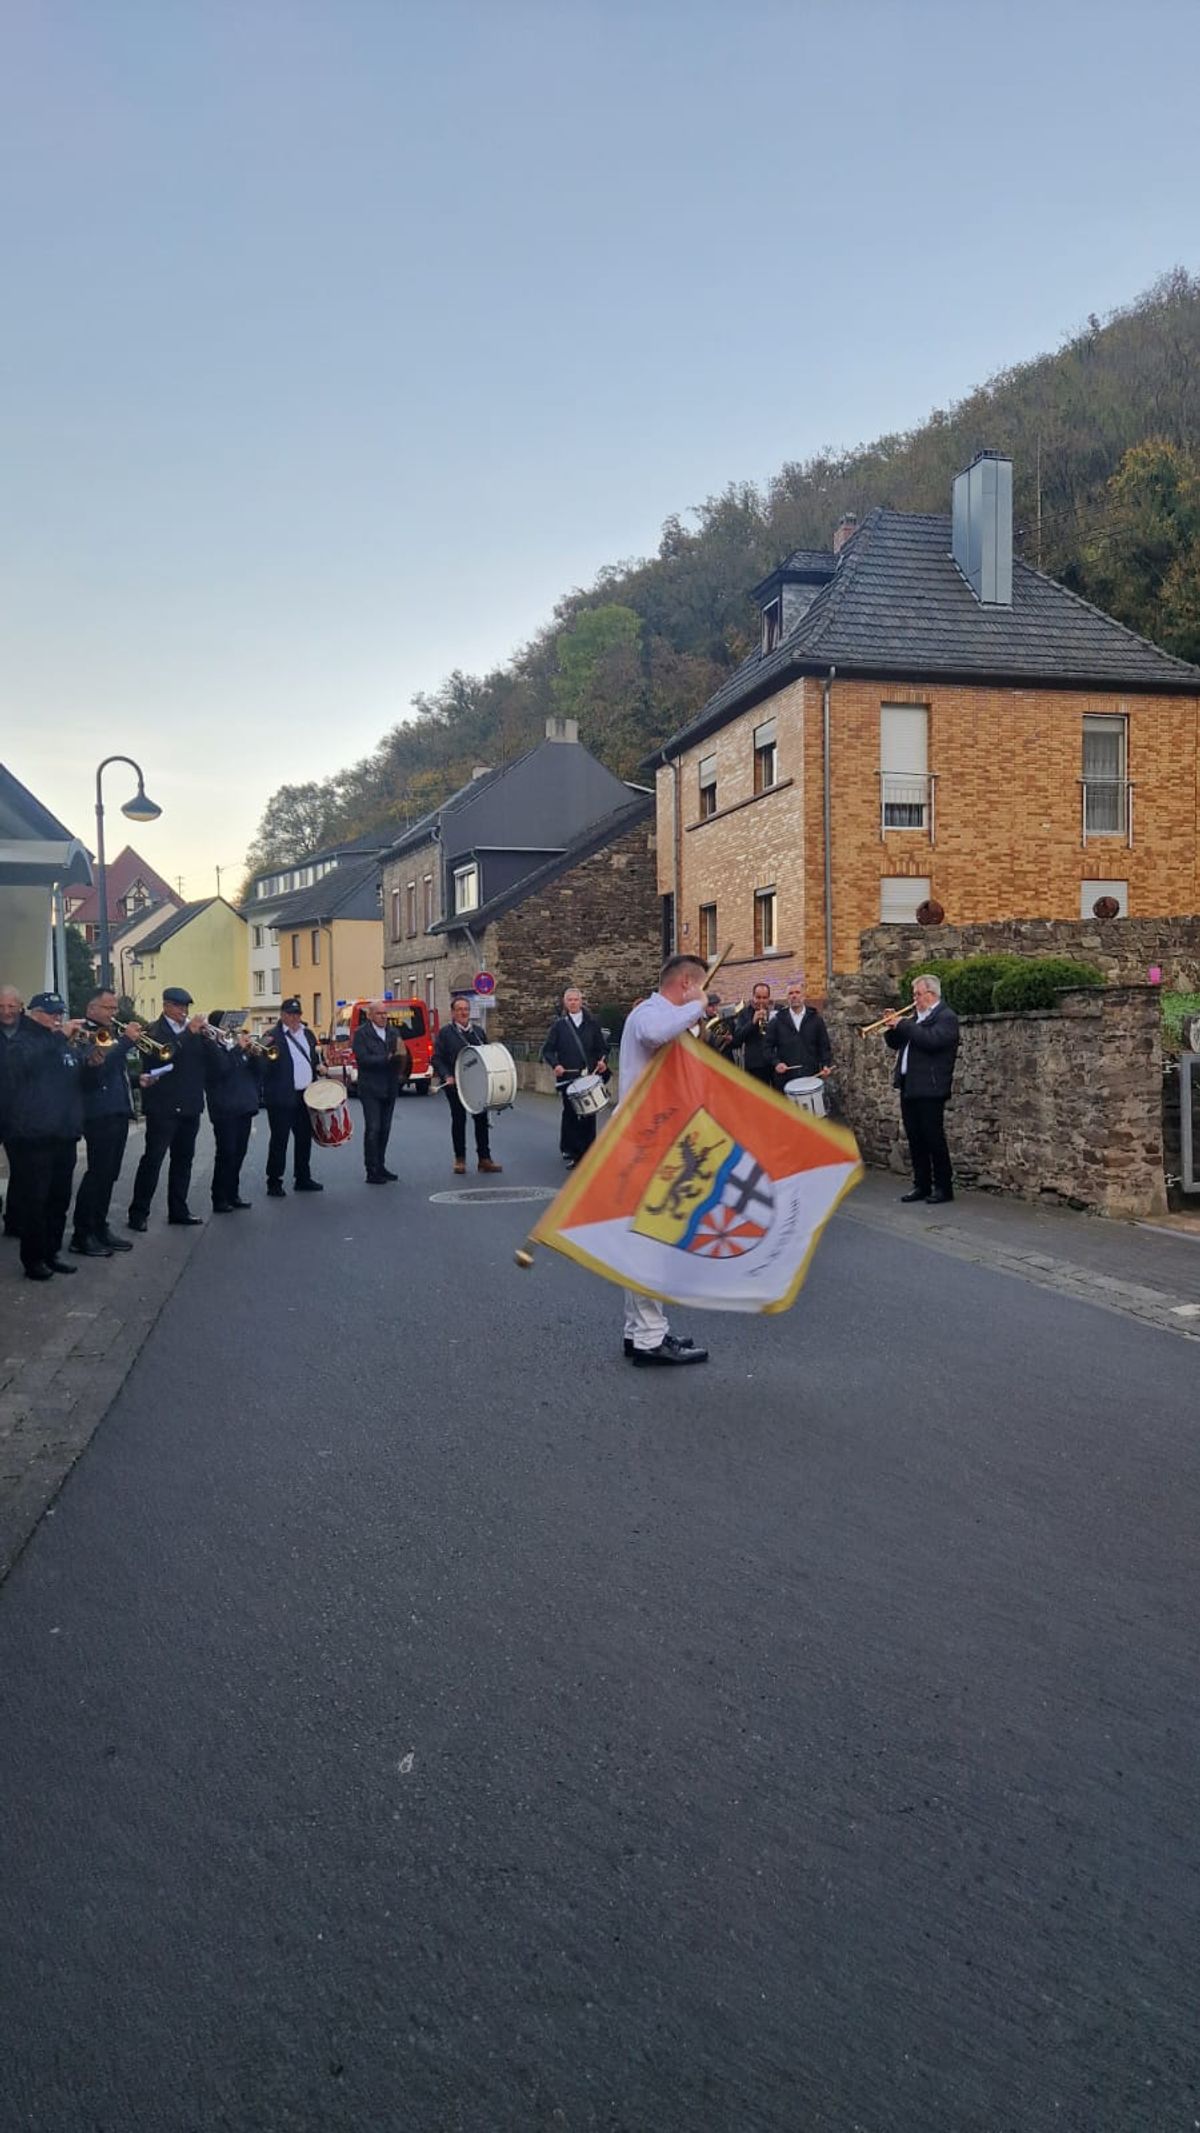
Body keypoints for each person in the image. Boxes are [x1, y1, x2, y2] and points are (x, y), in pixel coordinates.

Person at [617, 954, 711, 1367]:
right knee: (651, 1240)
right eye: (698, 986)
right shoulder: (649, 1014)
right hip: (645, 1141)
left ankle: (639, 1331)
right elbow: (656, 1033)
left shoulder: (663, 1015)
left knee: (650, 1238)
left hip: (656, 1137)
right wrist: (698, 1005)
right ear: (687, 983)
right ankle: (650, 1338)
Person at [3, 992, 85, 1281]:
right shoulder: (22, 1040)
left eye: (60, 1013)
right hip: (33, 1136)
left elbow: (76, 1079)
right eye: (51, 1013)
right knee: (35, 1201)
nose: (57, 1018)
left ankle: (53, 1251)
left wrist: (95, 1060)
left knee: (59, 1198)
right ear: (33, 1013)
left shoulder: (60, 1043)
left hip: (63, 1133)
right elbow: (21, 1065)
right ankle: (34, 1258)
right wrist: (59, 1037)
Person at [127, 986, 210, 1230]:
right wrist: (189, 1034)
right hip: (163, 1107)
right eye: (179, 1007)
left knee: (183, 1161)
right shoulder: (152, 1031)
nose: (184, 1012)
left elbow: (207, 1063)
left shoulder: (194, 1033)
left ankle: (178, 1210)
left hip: (190, 1106)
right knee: (153, 1160)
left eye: (186, 1007)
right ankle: (138, 1213)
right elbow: (164, 1055)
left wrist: (209, 1039)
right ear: (166, 1006)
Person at [69, 989, 140, 1256]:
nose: (114, 1013)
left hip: (118, 1109)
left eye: (114, 1009)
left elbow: (115, 1071)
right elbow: (95, 1065)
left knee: (110, 1175)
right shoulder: (84, 1033)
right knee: (97, 1174)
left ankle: (99, 1226)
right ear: (91, 1008)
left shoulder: (110, 1032)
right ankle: (82, 1233)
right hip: (98, 1112)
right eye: (108, 1008)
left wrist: (138, 1081)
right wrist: (124, 1043)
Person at [883, 973, 960, 1205]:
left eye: (917, 994)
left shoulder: (945, 1017)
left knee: (933, 1137)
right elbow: (896, 1043)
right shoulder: (915, 1018)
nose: (914, 999)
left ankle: (943, 1187)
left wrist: (904, 1024)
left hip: (931, 1086)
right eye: (914, 994)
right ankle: (922, 1184)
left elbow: (931, 1041)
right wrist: (891, 1027)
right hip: (910, 1084)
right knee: (915, 1137)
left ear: (931, 994)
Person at [261, 996, 324, 1197]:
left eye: (297, 1014)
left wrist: (319, 1067)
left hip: (305, 1095)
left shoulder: (309, 1034)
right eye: (291, 1014)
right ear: (282, 1015)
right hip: (281, 1097)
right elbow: (261, 1066)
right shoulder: (271, 1036)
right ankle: (274, 1181)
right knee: (280, 1140)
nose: (295, 1017)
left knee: (304, 1138)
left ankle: (302, 1177)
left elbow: (314, 1058)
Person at [431, 998, 503, 1176]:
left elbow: (486, 1054)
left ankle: (484, 1159)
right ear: (453, 1012)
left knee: (481, 1120)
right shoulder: (445, 1033)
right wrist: (446, 1075)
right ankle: (460, 1159)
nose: (464, 1013)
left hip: (478, 1084)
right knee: (459, 1120)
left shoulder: (478, 1032)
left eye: (466, 1009)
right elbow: (437, 1058)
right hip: (454, 1084)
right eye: (460, 1009)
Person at [541, 986, 608, 1167]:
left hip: (588, 1077)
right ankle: (573, 1151)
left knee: (589, 1114)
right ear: (565, 1002)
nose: (573, 1003)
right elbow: (547, 1050)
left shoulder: (592, 1023)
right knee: (571, 1114)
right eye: (569, 1000)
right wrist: (556, 1065)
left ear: (581, 1001)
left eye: (576, 999)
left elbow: (602, 1048)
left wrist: (603, 1061)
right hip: (568, 1079)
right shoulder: (559, 1026)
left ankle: (588, 1152)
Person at [205, 1017, 263, 1212]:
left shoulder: (235, 1048)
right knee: (226, 1153)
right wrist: (238, 1049)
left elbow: (258, 1073)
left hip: (244, 1106)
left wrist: (254, 1055)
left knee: (239, 1153)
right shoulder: (212, 1047)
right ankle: (219, 1197)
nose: (231, 1031)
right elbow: (222, 1069)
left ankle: (233, 1193)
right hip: (224, 1108)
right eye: (226, 1027)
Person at [351, 1000, 409, 1183]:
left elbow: (401, 1054)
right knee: (373, 1128)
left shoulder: (393, 1032)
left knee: (385, 1129)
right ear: (370, 1015)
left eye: (385, 1014)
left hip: (390, 1086)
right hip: (370, 1087)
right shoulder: (361, 1034)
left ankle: (381, 1165)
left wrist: (401, 1064)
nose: (383, 1017)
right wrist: (386, 1058)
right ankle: (372, 1169)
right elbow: (363, 1058)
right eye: (379, 1014)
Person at [764, 976, 833, 1090]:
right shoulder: (777, 1020)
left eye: (797, 992)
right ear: (787, 997)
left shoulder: (816, 1019)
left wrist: (826, 1064)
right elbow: (767, 1047)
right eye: (791, 993)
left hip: (811, 1076)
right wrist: (776, 1063)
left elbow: (824, 1046)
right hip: (786, 1079)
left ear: (803, 995)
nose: (794, 996)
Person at [0, 986, 29, 1237]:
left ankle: (14, 1221)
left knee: (21, 1170)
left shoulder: (31, 1032)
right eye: (1, 1006)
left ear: (21, 1006)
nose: (6, 1011)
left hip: (20, 1113)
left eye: (11, 1006)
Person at [732, 983, 775, 1084]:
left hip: (774, 1062)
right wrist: (752, 1022)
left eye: (764, 998)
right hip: (755, 1065)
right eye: (758, 997)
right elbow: (737, 1039)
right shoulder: (744, 1013)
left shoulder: (775, 1011)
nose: (761, 1001)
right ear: (753, 997)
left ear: (769, 998)